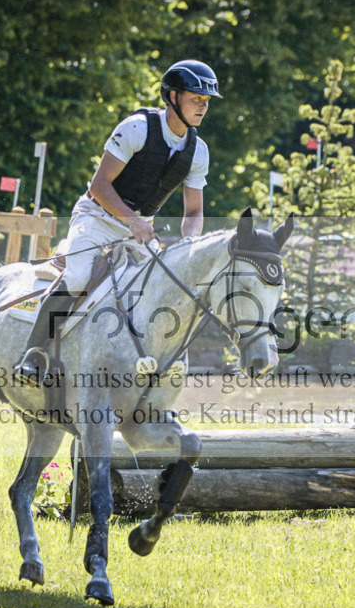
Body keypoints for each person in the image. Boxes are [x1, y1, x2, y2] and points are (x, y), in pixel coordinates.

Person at [14, 60, 221, 384]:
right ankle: (33, 355)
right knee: (80, 276)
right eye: (196, 98)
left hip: (139, 229)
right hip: (97, 216)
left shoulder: (198, 152)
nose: (203, 107)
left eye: (206, 101)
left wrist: (191, 242)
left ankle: (154, 368)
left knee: (163, 285)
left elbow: (193, 212)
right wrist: (133, 222)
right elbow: (99, 186)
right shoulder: (138, 128)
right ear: (172, 96)